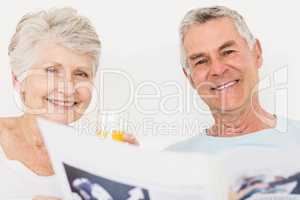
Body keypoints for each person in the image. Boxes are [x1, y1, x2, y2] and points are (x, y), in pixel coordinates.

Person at [0, 7, 137, 199]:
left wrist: (131, 180)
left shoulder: (97, 156)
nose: (68, 88)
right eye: (51, 70)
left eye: (81, 74)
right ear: (18, 79)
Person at [166, 6, 300, 153]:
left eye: (228, 52)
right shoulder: (173, 161)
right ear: (190, 78)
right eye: (201, 61)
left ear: (256, 53)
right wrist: (137, 162)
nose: (217, 70)